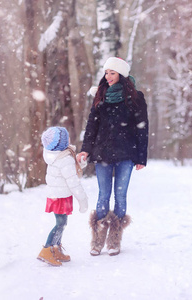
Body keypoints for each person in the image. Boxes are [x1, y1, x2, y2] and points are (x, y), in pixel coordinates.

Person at [77, 57, 148, 256]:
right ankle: (98, 238)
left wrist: (141, 157)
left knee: (121, 195)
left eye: (112, 73)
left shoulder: (135, 98)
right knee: (103, 194)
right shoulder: (100, 95)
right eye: (106, 72)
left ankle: (114, 239)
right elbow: (92, 126)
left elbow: (142, 128)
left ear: (122, 75)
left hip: (126, 153)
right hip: (103, 152)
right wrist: (86, 149)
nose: (107, 76)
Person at [37, 126, 89, 266]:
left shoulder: (56, 155)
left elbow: (69, 171)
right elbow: (73, 182)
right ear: (62, 143)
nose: (70, 139)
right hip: (60, 197)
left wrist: (80, 163)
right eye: (67, 137)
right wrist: (82, 200)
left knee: (62, 223)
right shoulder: (64, 159)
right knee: (60, 224)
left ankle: (56, 248)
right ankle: (47, 249)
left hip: (57, 195)